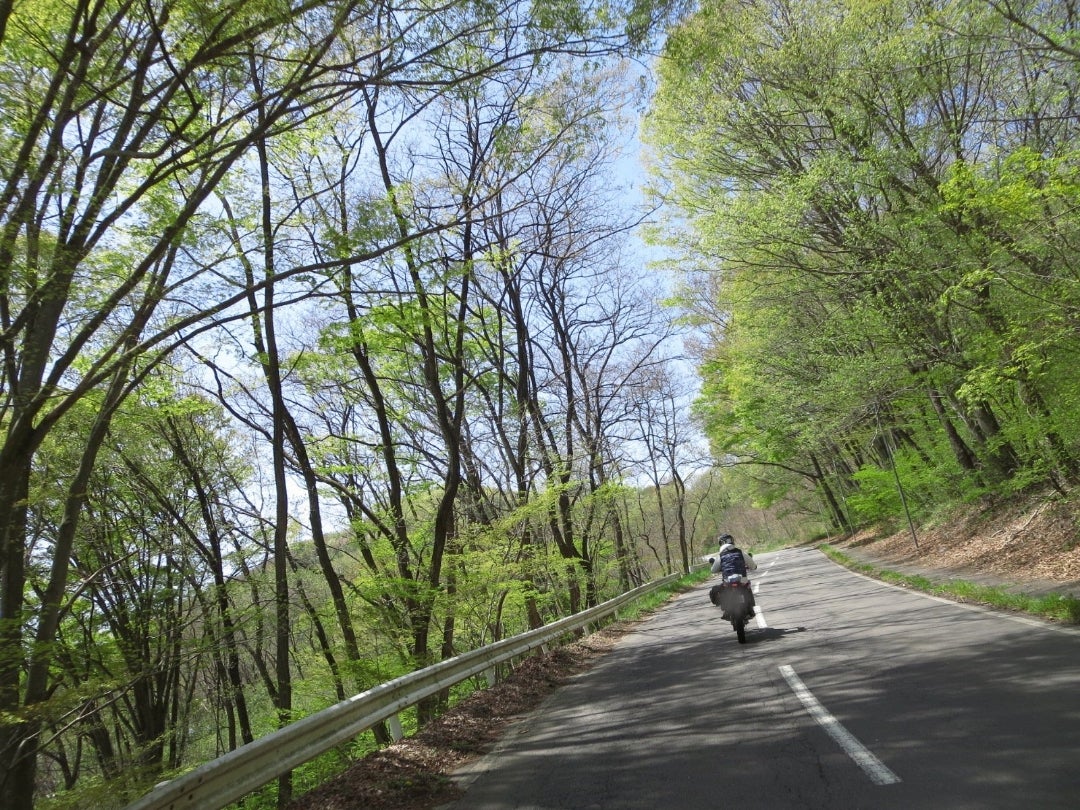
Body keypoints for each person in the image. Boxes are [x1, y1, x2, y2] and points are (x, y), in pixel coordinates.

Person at [709, 533, 758, 618]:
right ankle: (751, 609)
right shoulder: (740, 552)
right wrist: (753, 567)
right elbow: (752, 565)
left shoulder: (720, 556)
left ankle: (725, 609)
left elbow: (713, 570)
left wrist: (720, 568)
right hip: (742, 580)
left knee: (717, 590)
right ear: (732, 541)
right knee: (747, 587)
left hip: (727, 581)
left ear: (721, 543)